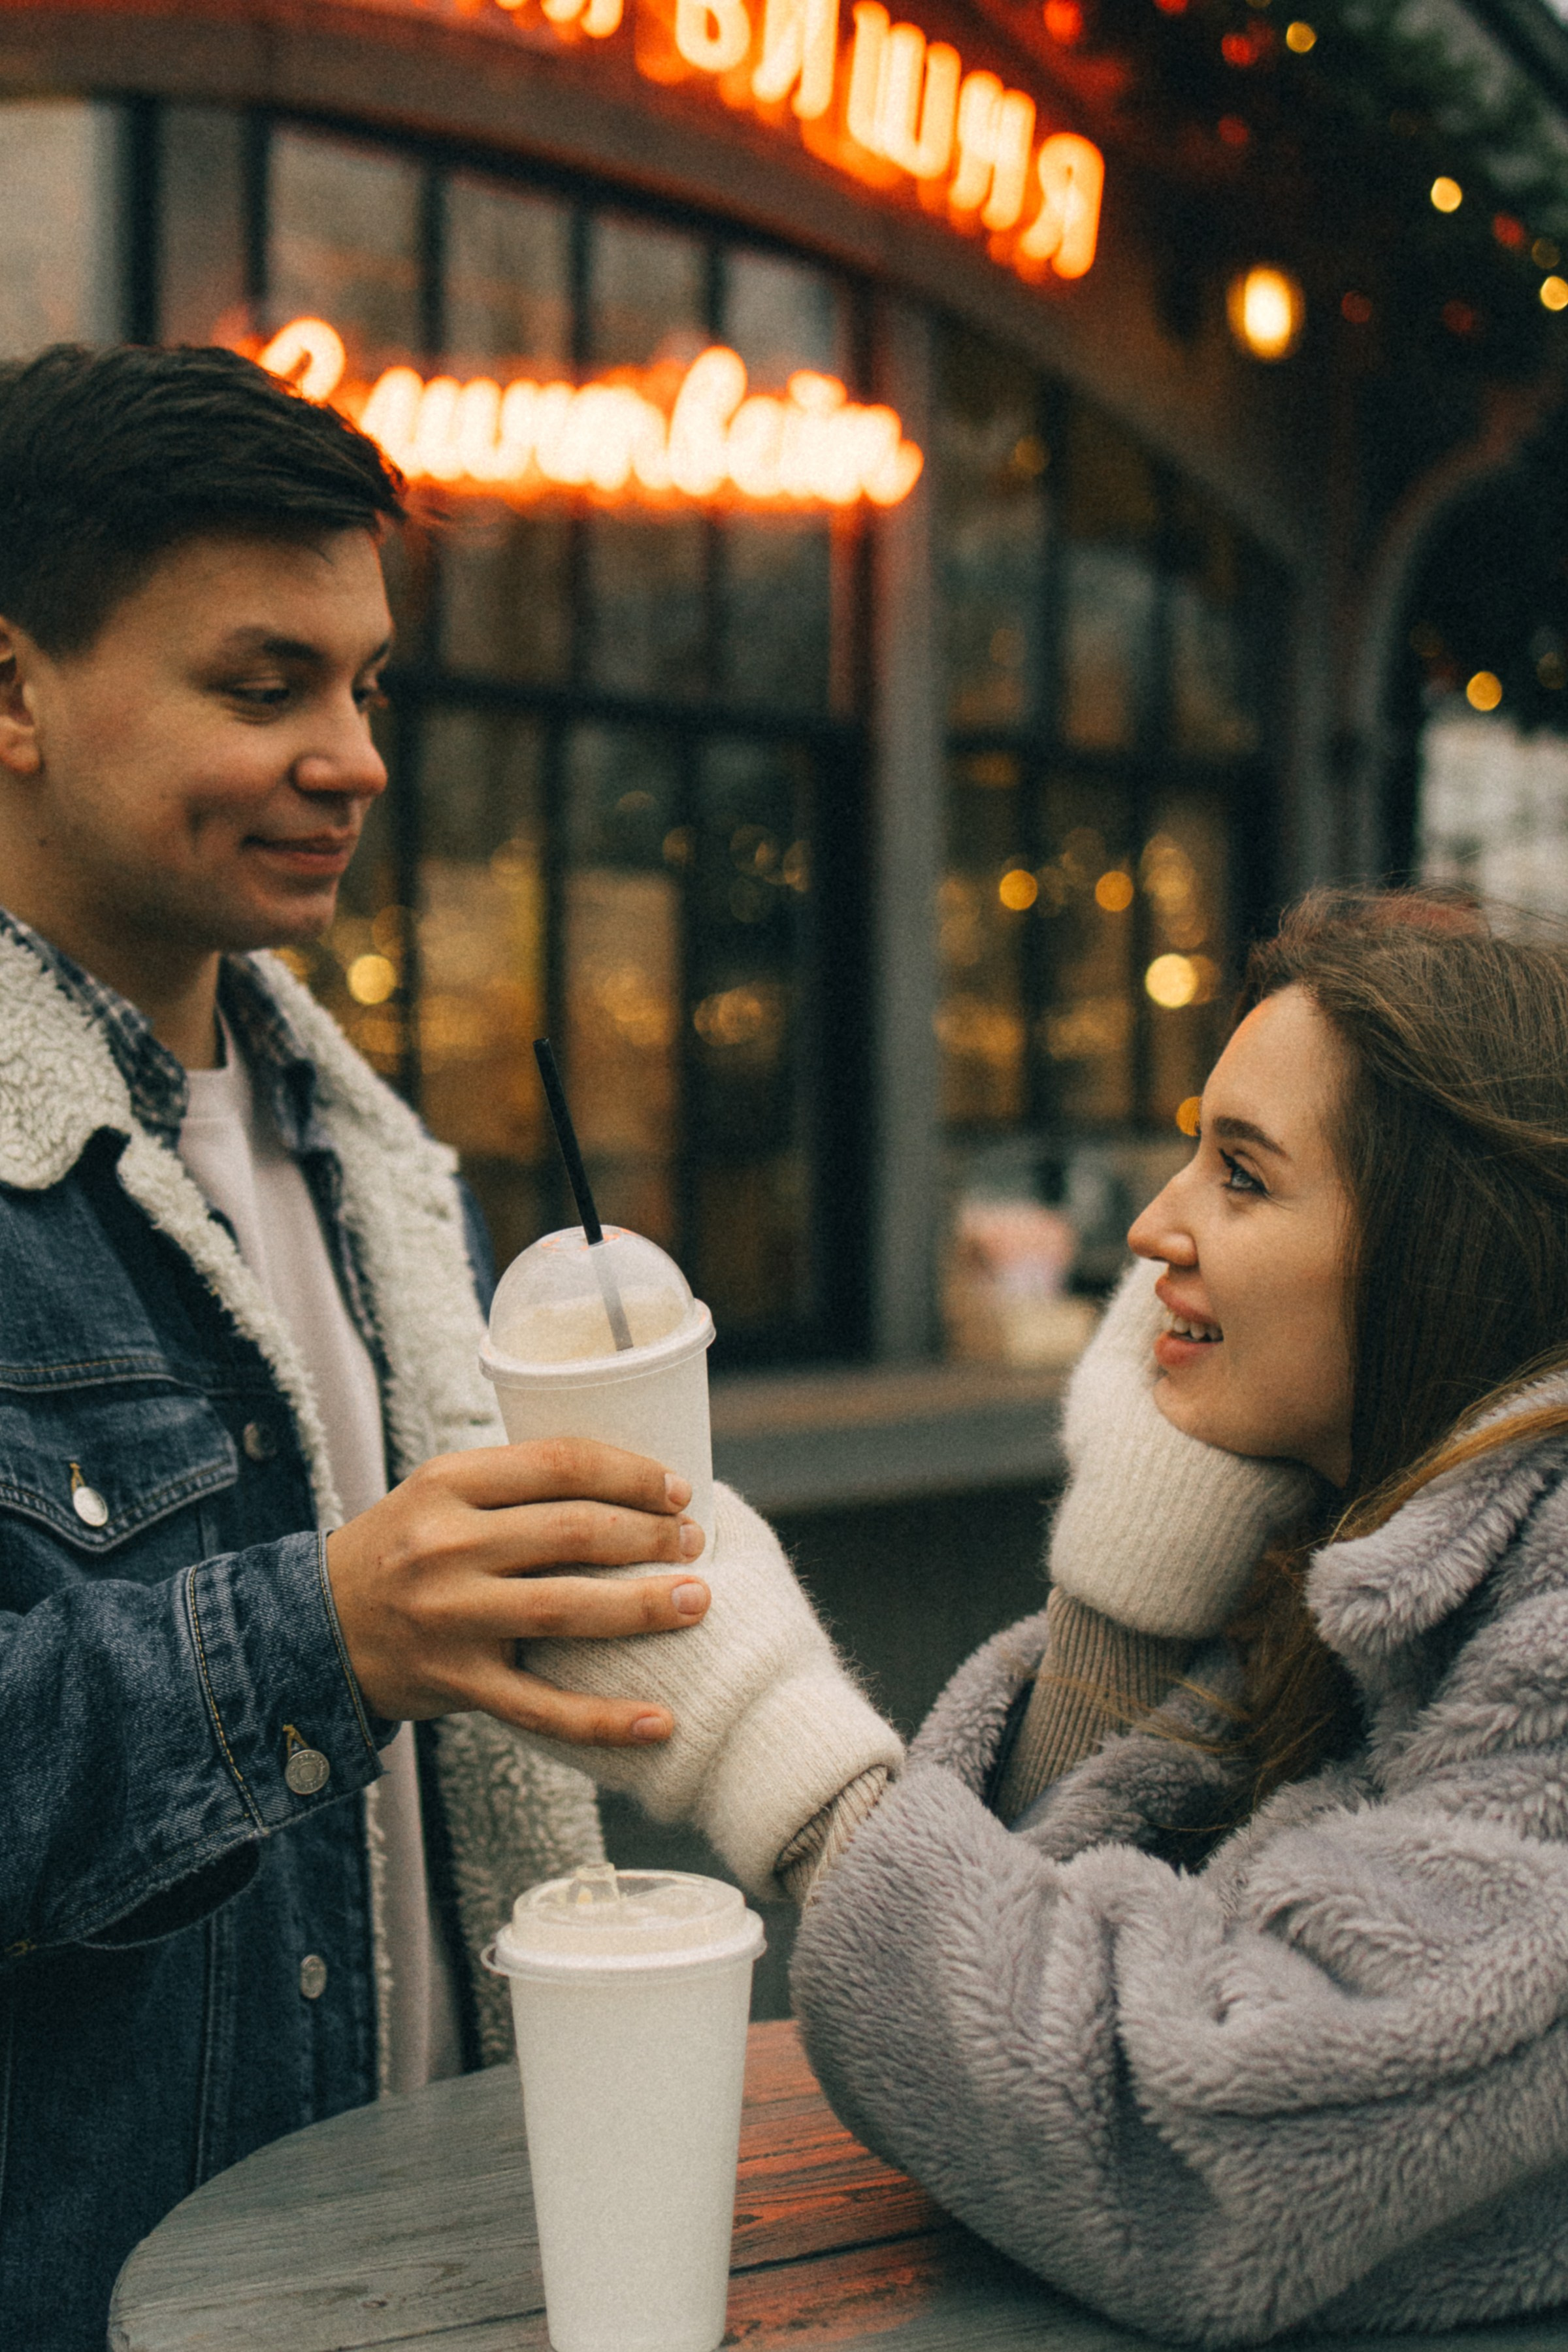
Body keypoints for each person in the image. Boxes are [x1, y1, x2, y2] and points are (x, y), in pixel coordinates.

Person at [0, 340, 897, 2352]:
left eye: (367, 684)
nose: (356, 755)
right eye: (265, 685)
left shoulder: (383, 1164)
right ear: (11, 694)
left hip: (447, 2260)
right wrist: (319, 1632)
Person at [776, 888, 1568, 2342]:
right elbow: (1023, 1999)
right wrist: (1129, 1581)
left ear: (1437, 1250)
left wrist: (780, 1760)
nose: (1153, 1226)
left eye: (1244, 1177)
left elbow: (1191, 2150)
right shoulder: (1365, 1574)